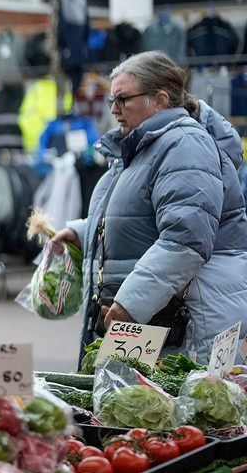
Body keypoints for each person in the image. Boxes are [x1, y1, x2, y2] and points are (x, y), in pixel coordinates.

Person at [51, 50, 247, 364]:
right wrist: (83, 233)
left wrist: (132, 303)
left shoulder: (184, 143)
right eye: (112, 100)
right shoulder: (144, 144)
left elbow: (185, 238)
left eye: (123, 99)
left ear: (160, 99)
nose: (113, 109)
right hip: (160, 319)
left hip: (186, 322)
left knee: (181, 397)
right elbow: (140, 216)